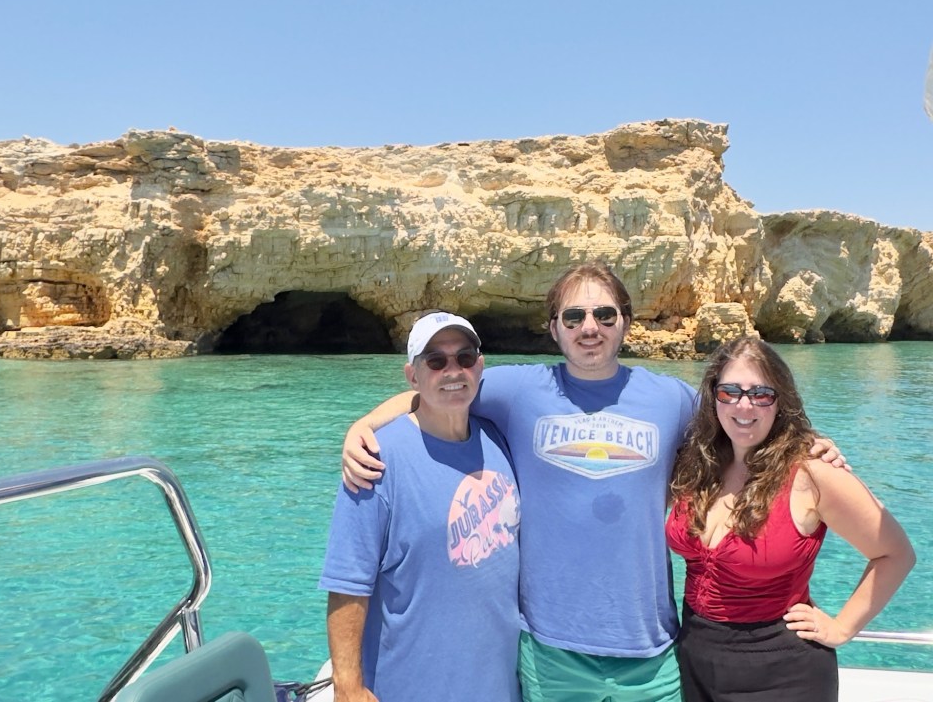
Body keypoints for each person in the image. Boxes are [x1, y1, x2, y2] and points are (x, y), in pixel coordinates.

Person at [342, 263, 846, 702]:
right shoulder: (518, 389)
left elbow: (745, 417)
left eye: (605, 314)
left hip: (651, 649)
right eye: (574, 317)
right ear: (554, 328)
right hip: (550, 651)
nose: (590, 327)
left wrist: (810, 444)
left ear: (625, 322)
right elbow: (440, 390)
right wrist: (364, 425)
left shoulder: (670, 399)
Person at [666, 336, 915, 702]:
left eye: (761, 394)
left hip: (783, 672)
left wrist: (842, 627)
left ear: (780, 401)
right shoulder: (696, 463)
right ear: (713, 397)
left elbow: (896, 553)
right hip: (696, 661)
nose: (744, 405)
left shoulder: (813, 472)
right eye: (729, 392)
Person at [319, 311, 522, 702]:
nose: (453, 371)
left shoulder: (498, 437)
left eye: (464, 358)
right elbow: (347, 583)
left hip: (498, 686)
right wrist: (347, 685)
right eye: (436, 361)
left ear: (480, 366)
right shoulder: (376, 460)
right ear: (413, 375)